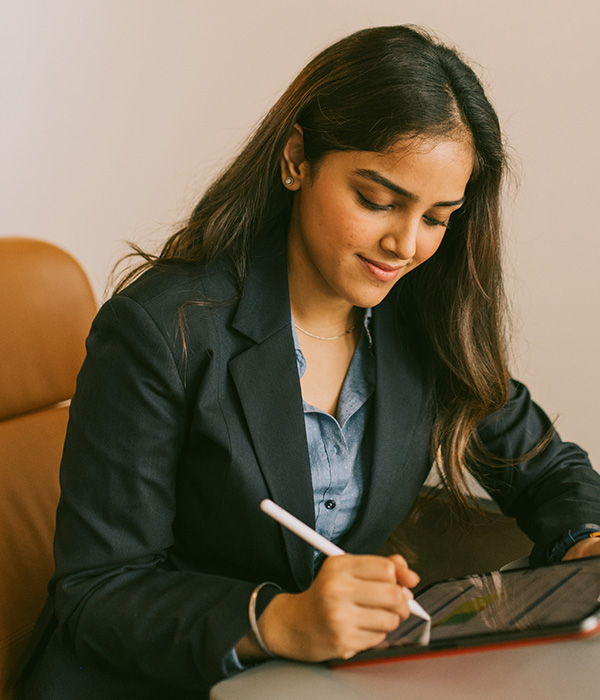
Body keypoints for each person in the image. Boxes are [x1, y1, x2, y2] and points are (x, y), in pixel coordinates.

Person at [22, 24, 600, 699]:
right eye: (377, 200)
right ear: (297, 158)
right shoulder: (160, 330)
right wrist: (277, 619)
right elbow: (100, 590)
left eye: (438, 218)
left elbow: (547, 470)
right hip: (156, 680)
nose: (405, 244)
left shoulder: (425, 324)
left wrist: (586, 544)